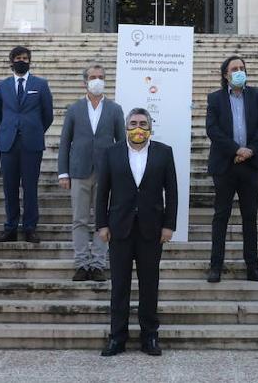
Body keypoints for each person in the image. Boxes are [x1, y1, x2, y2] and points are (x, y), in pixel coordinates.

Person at [96, 109, 178, 357]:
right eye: (133, 123)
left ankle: (149, 336)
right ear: (126, 127)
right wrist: (102, 224)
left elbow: (172, 192)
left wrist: (169, 225)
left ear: (150, 126)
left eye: (143, 123)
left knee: (149, 286)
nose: (138, 128)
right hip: (119, 229)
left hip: (151, 230)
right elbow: (103, 192)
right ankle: (117, 337)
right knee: (119, 286)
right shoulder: (112, 152)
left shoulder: (164, 152)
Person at [205, 55, 258, 283]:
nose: (239, 71)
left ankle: (253, 268)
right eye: (235, 69)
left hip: (251, 164)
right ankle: (216, 266)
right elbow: (212, 130)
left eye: (242, 67)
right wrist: (236, 150)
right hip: (225, 165)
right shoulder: (214, 98)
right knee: (221, 216)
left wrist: (249, 150)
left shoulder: (257, 95)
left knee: (250, 217)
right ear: (226, 74)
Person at [58, 63, 124, 281]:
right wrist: (63, 173)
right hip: (79, 171)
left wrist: (121, 173)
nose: (97, 80)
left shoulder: (115, 109)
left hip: (107, 173)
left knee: (103, 220)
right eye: (93, 76)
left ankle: (97, 264)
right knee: (79, 219)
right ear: (85, 81)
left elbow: (122, 143)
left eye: (101, 76)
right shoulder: (74, 109)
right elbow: (65, 142)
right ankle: (81, 263)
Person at [0, 45, 54, 243]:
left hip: (31, 143)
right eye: (18, 57)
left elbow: (48, 115)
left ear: (29, 61)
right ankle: (10, 227)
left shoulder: (41, 84)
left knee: (30, 186)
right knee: (9, 187)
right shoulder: (2, 86)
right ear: (11, 61)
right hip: (8, 142)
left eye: (25, 58)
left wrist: (34, 129)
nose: (22, 61)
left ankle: (29, 227)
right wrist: (9, 128)